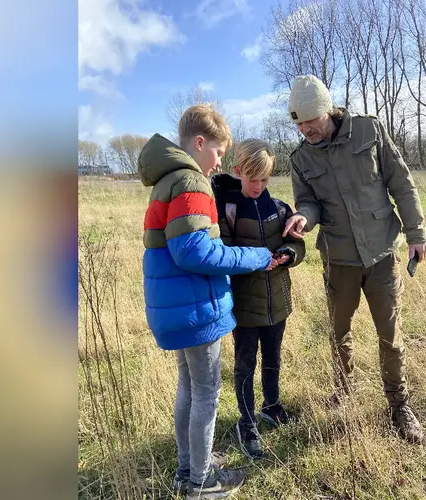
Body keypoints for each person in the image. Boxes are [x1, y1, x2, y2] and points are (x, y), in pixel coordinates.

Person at [138, 104, 283, 499]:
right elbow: (194, 252)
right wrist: (255, 257)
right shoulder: (191, 183)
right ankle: (201, 482)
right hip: (196, 307)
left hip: (176, 307)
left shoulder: (165, 182)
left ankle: (188, 470)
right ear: (199, 143)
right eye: (219, 153)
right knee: (205, 393)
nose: (219, 163)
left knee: (189, 388)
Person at [282, 75, 426, 443]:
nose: (305, 129)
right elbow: (308, 202)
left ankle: (399, 404)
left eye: (310, 121)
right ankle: (343, 392)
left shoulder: (369, 131)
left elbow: (401, 182)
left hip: (381, 253)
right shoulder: (300, 158)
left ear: (327, 111)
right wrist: (304, 218)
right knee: (338, 332)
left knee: (390, 334)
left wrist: (416, 232)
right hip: (339, 259)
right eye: (298, 123)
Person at [210, 139, 306, 460]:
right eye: (253, 178)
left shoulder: (279, 208)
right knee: (245, 365)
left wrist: (289, 253)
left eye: (265, 179)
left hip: (277, 303)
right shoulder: (227, 211)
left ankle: (271, 406)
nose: (259, 185)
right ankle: (247, 421)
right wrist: (256, 258)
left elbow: (299, 246)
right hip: (245, 308)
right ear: (238, 172)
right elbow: (221, 254)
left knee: (273, 360)